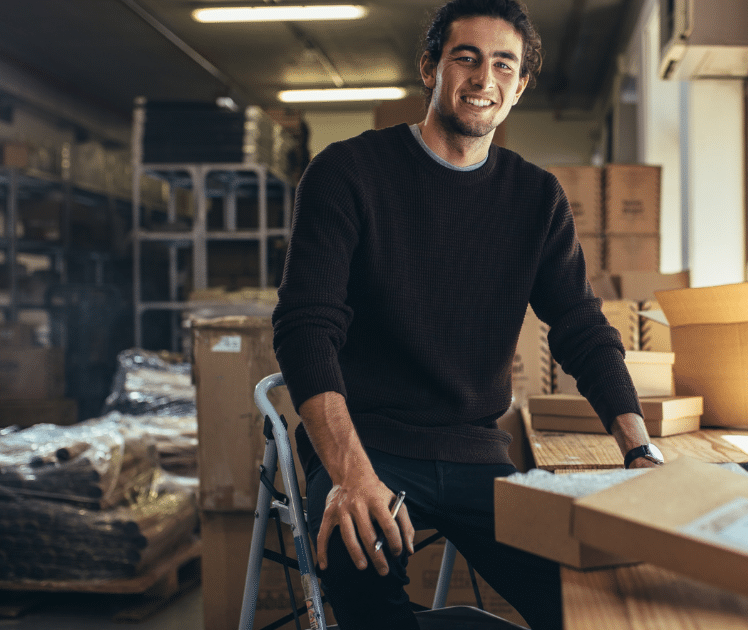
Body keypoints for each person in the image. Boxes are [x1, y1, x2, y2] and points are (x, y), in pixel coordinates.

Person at [272, 1, 662, 627]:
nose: (484, 80)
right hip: (370, 446)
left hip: (478, 454)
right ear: (430, 68)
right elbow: (304, 327)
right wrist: (349, 473)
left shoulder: (535, 197)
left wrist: (639, 450)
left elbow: (580, 326)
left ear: (520, 86)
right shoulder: (347, 173)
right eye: (467, 58)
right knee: (359, 568)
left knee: (589, 602)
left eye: (504, 65)